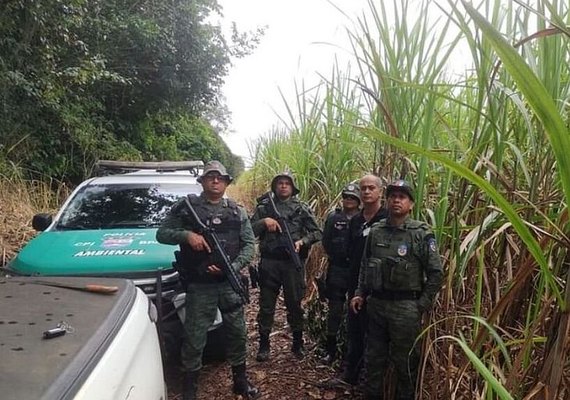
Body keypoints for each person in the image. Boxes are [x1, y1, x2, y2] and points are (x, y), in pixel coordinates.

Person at [156, 160, 259, 400]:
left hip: (227, 282)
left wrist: (231, 267)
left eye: (220, 178)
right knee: (194, 336)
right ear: (202, 181)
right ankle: (189, 387)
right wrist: (187, 235)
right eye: (210, 177)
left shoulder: (236, 211)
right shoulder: (186, 208)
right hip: (200, 285)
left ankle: (240, 381)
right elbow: (162, 234)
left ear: (226, 183)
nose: (215, 181)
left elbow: (249, 245)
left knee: (237, 332)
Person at [350, 179, 443, 400]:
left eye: (402, 197)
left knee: (405, 365)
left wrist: (421, 305)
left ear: (411, 204)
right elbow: (365, 264)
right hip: (377, 306)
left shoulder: (421, 233)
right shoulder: (377, 231)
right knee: (373, 361)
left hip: (405, 308)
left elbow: (436, 272)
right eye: (392, 196)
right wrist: (359, 293)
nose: (396, 201)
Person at [251, 171, 322, 361]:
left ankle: (297, 343)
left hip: (292, 264)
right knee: (266, 306)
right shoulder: (264, 207)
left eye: (287, 183)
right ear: (275, 187)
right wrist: (264, 222)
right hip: (269, 263)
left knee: (295, 304)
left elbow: (317, 232)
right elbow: (249, 230)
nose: (283, 186)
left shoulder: (301, 208)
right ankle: (264, 344)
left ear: (292, 187)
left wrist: (302, 242)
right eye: (280, 183)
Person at [319, 182, 361, 364]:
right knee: (334, 310)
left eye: (353, 197)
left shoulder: (363, 219)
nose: (349, 200)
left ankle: (352, 351)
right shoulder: (333, 218)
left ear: (358, 200)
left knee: (356, 311)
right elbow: (326, 241)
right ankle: (331, 350)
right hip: (337, 269)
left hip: (356, 272)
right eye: (346, 197)